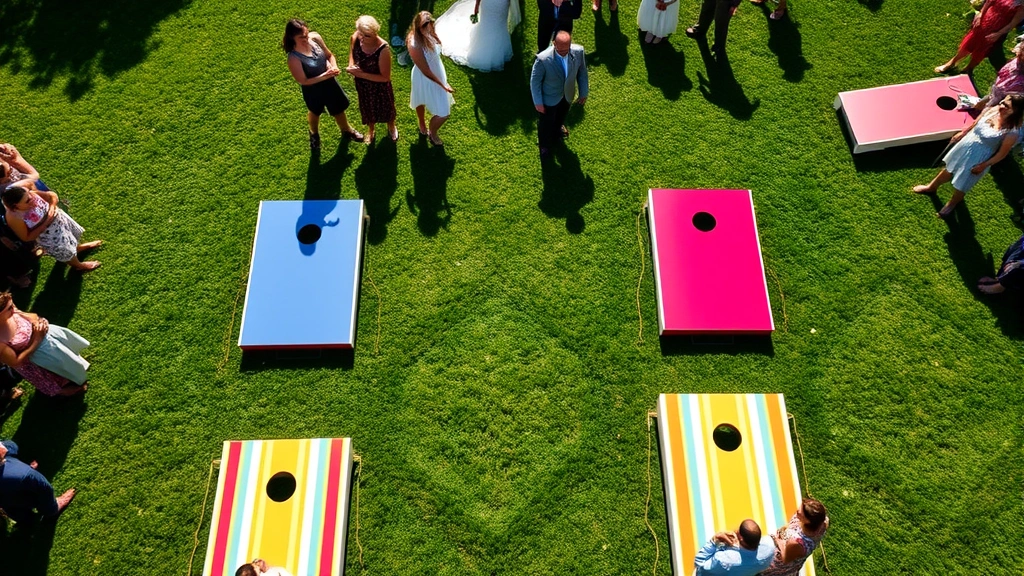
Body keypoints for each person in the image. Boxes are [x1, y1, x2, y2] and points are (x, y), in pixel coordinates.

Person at [913, 94, 1024, 217]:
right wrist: (963, 133)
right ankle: (931, 187)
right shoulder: (994, 110)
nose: (1001, 106)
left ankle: (952, 204)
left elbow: (1002, 154)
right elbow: (977, 122)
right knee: (949, 168)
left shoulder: (1012, 132)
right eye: (1002, 102)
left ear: (1016, 111)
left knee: (964, 181)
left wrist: (984, 165)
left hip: (981, 157)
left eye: (1006, 106)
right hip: (965, 144)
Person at [283, 19, 363, 151]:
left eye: (306, 34)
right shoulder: (294, 58)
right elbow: (303, 81)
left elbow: (329, 55)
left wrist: (334, 66)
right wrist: (325, 75)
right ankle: (314, 134)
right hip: (313, 90)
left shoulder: (315, 38)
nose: (306, 38)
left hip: (330, 84)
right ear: (292, 37)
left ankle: (346, 130)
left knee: (338, 109)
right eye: (302, 37)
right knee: (315, 112)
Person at [0, 291, 90, 397]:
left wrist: (37, 322)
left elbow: (31, 316)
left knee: (65, 358)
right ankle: (62, 391)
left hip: (47, 341)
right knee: (51, 377)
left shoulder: (13, 312)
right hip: (33, 360)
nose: (13, 308)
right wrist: (37, 339)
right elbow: (16, 362)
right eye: (9, 308)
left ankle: (74, 365)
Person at [2, 185, 101, 271]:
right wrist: (47, 222)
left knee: (72, 237)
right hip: (51, 236)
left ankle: (77, 248)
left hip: (61, 221)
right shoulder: (14, 217)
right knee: (65, 251)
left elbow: (52, 195)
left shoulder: (29, 194)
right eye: (27, 201)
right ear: (16, 206)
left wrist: (53, 206)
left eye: (30, 195)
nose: (32, 198)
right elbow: (27, 237)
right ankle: (78, 265)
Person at [530, 31, 589, 160]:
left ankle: (557, 130)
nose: (563, 53)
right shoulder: (543, 59)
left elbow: (582, 72)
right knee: (546, 123)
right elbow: (535, 82)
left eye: (566, 49)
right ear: (554, 43)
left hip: (567, 95)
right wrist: (538, 102)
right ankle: (544, 146)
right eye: (560, 49)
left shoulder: (578, 52)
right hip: (549, 98)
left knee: (561, 115)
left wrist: (583, 92)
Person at [347, 15, 399, 143]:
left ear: (375, 33)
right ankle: (371, 130)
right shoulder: (356, 37)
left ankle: (391, 127)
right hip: (363, 86)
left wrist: (360, 74)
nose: (363, 38)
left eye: (367, 35)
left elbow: (385, 77)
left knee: (387, 108)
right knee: (367, 108)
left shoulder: (383, 49)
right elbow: (352, 52)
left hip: (379, 86)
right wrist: (351, 64)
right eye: (361, 34)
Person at [936, 0, 1024, 75]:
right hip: (983, 22)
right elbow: (989, 2)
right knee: (968, 44)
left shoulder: (1021, 5)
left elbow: (1012, 24)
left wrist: (998, 34)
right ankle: (951, 63)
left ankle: (968, 69)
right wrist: (980, 14)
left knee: (981, 51)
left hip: (996, 31)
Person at [407, 11, 455, 147]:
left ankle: (432, 132)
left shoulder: (430, 31)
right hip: (424, 77)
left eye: (429, 23)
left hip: (438, 72)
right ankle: (422, 122)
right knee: (421, 100)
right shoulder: (414, 43)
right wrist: (443, 85)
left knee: (444, 112)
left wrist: (443, 81)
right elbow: (425, 70)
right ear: (417, 27)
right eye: (424, 26)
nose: (427, 28)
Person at [0, 439, 76, 523]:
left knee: (10, 445)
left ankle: (23, 517)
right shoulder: (23, 475)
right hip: (12, 476)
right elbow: (44, 487)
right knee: (10, 446)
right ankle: (51, 509)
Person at [435, 0, 522, 72]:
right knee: (492, 23)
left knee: (497, 23)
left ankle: (487, 49)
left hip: (498, 4)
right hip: (498, 3)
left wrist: (476, 6)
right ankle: (490, 51)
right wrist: (476, 6)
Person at [760, 499, 829, 576]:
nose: (797, 512)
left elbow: (785, 558)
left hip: (782, 562)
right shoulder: (823, 522)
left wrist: (779, 541)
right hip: (794, 555)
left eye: (799, 513)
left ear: (807, 521)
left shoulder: (796, 541)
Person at [694, 518, 775, 576]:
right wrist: (736, 547)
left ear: (741, 538)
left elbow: (699, 563)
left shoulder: (723, 559)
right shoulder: (770, 548)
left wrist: (714, 540)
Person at [970, 37, 1024, 111]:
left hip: (1003, 103)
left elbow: (1005, 96)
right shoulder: (1016, 61)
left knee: (987, 113)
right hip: (996, 93)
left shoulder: (1019, 81)